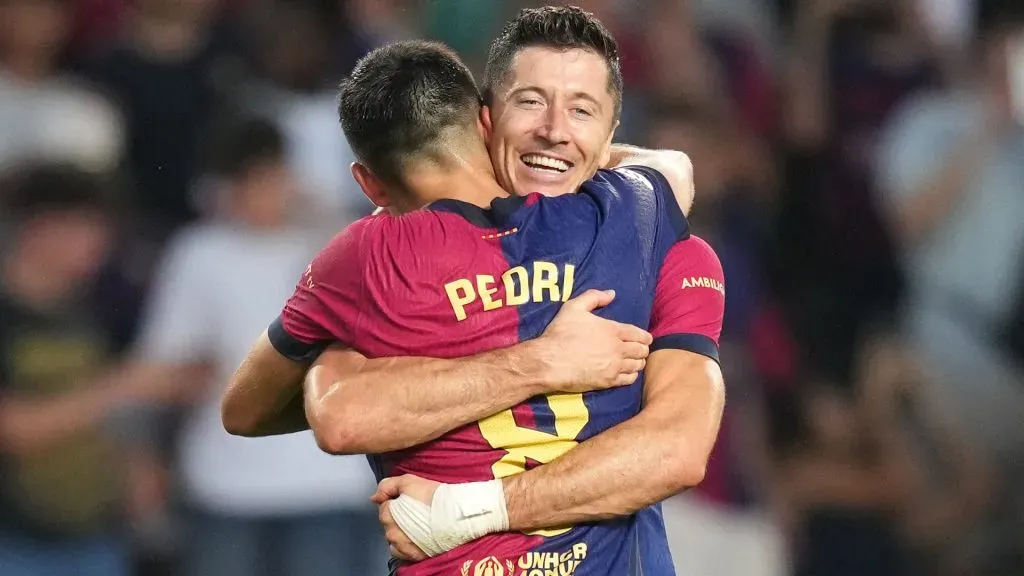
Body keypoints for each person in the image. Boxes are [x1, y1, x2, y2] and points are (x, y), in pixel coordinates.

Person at [223, 6, 724, 574]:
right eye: (531, 102)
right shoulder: (636, 215)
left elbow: (678, 451)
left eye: (580, 112)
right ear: (487, 120)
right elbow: (672, 168)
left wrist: (460, 507)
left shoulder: (370, 258)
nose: (555, 131)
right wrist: (539, 362)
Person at [129, 118, 386, 576]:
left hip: (326, 485)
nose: (261, 193)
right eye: (246, 182)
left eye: (271, 177)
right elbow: (164, 365)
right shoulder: (198, 252)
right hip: (224, 487)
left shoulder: (337, 242)